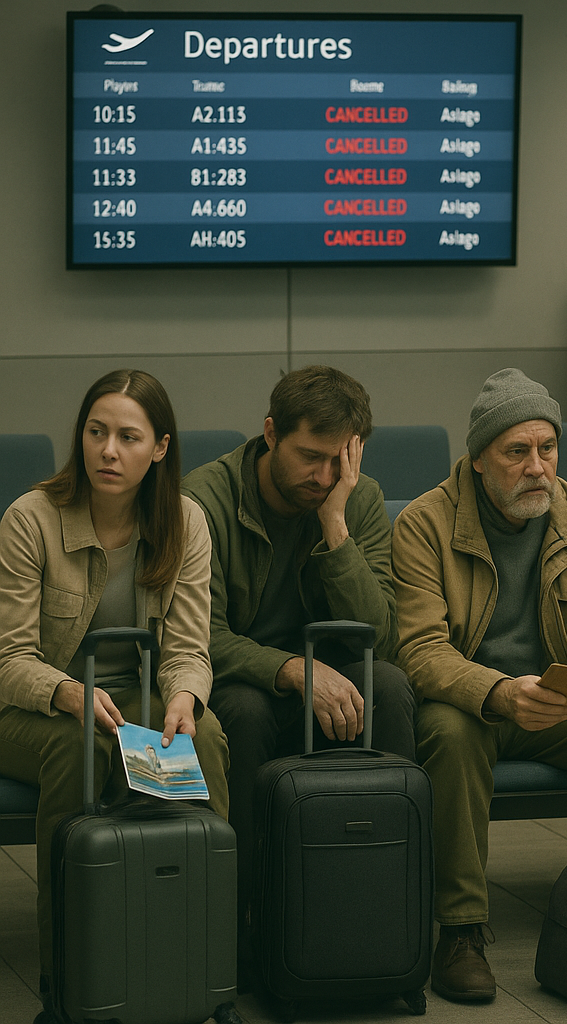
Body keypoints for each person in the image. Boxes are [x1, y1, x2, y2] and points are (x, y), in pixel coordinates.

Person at [391, 368, 567, 1003]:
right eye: (518, 452)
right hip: (477, 707)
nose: (537, 467)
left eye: (548, 449)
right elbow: (419, 649)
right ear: (481, 458)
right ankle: (460, 930)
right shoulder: (425, 524)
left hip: (558, 707)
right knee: (448, 732)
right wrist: (497, 691)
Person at [0, 369, 230, 1024]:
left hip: (132, 695)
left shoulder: (185, 520)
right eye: (96, 432)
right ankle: (68, 979)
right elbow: (9, 659)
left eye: (127, 437)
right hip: (34, 703)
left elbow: (187, 648)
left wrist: (186, 697)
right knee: (79, 750)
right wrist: (68, 693)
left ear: (159, 448)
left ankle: (207, 970)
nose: (107, 450)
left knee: (204, 737)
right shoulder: (31, 518)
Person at [181, 364, 416, 978]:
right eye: (310, 457)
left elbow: (380, 636)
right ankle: (249, 919)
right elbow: (198, 635)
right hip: (240, 682)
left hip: (329, 682)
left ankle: (389, 906)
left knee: (388, 685)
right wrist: (289, 668)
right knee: (244, 711)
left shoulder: (355, 498)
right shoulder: (204, 499)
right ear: (269, 434)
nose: (323, 476)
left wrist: (335, 526)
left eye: (339, 461)